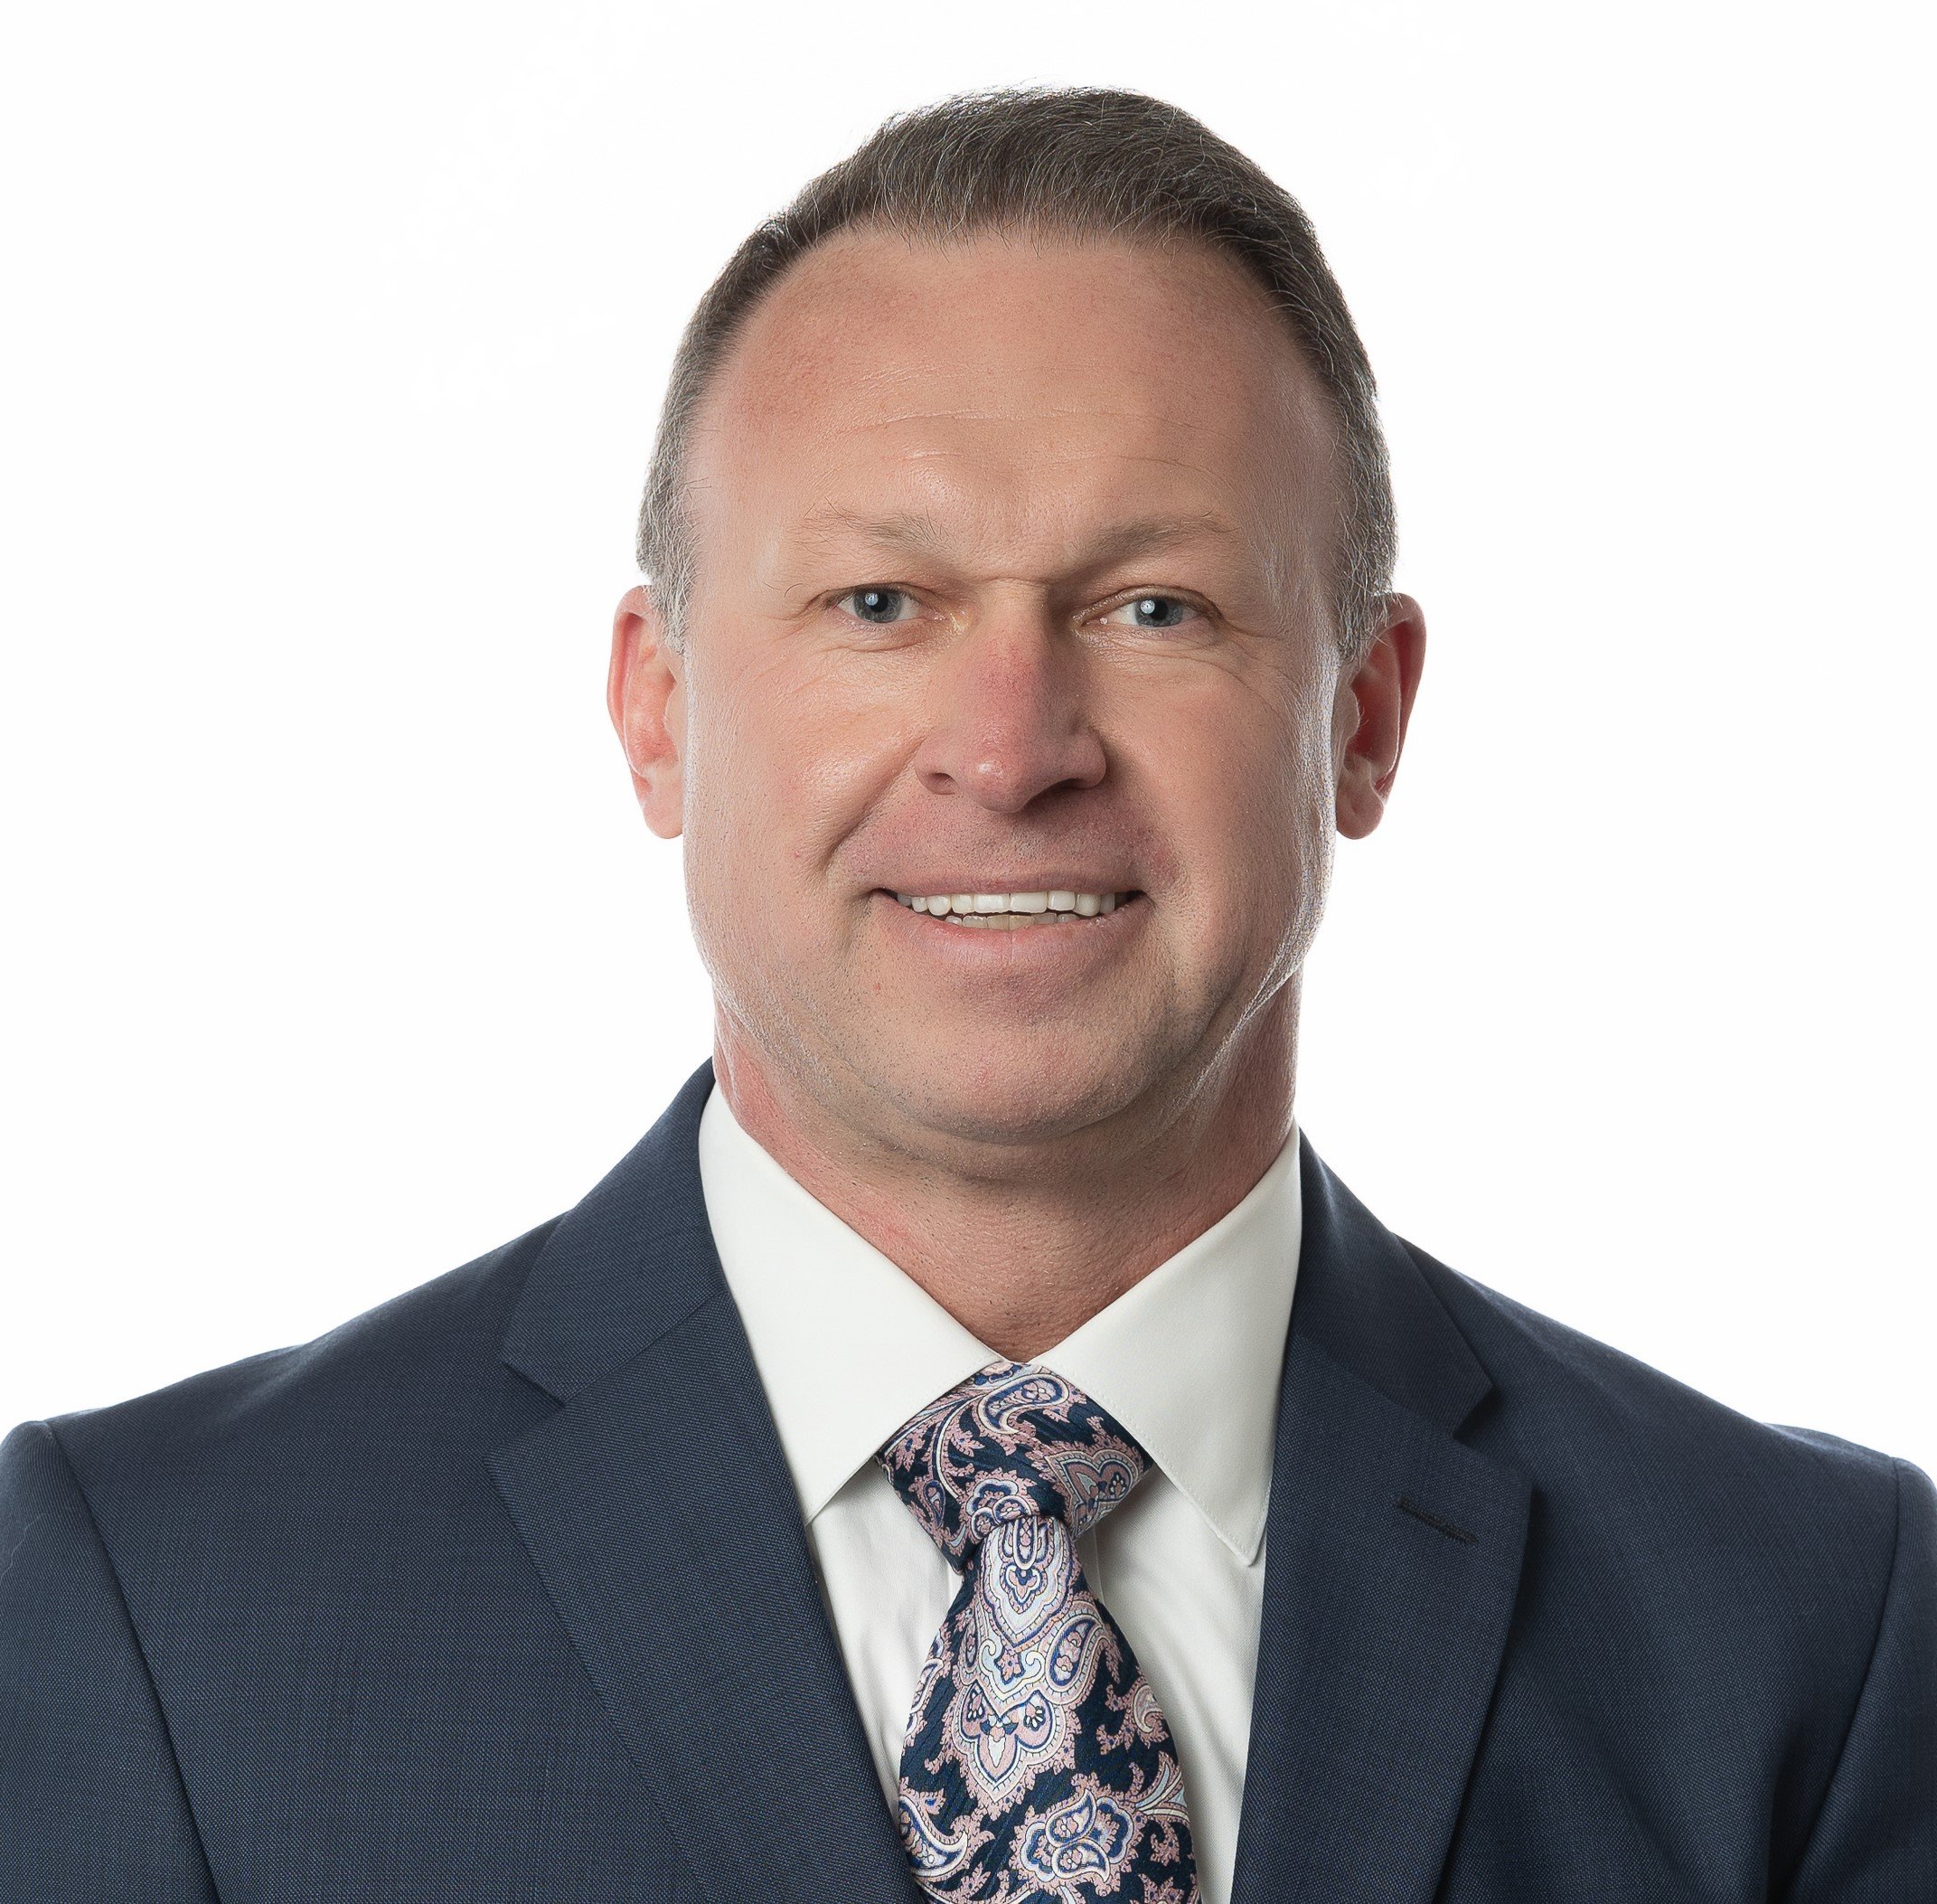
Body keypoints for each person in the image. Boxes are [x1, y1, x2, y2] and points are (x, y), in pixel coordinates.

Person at [2, 84, 1930, 1904]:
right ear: (657, 710)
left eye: (1149, 607)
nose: (1009, 753)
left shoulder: (1809, 1635)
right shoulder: (154, 1601)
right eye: (879, 605)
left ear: (1362, 714)